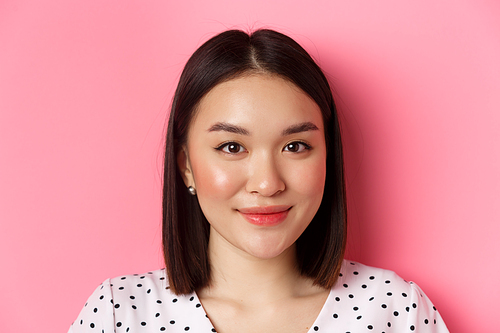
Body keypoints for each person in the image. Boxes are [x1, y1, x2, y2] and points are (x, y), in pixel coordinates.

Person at [68, 29, 449, 333]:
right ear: (186, 166)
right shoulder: (118, 315)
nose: (267, 184)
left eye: (296, 145)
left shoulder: (397, 310)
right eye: (232, 147)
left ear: (328, 157)